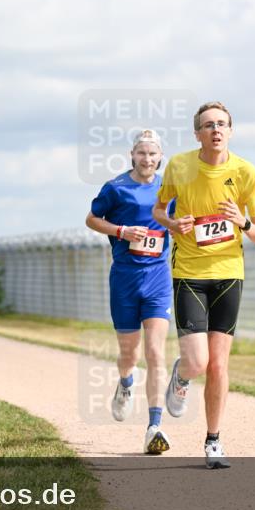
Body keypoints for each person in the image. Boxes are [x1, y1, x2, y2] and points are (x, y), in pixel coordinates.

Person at [152, 102, 255, 469]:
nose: (216, 129)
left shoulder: (246, 172)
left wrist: (243, 223)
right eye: (208, 125)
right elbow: (158, 210)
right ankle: (182, 374)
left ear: (230, 131)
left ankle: (213, 441)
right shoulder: (180, 166)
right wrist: (173, 224)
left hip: (229, 273)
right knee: (198, 362)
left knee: (218, 365)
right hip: (188, 272)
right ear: (197, 134)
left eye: (222, 124)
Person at [86, 129, 173, 455]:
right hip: (124, 278)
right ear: (132, 155)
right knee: (129, 355)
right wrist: (121, 230)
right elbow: (92, 219)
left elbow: (179, 221)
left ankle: (154, 426)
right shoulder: (115, 188)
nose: (147, 159)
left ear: (160, 156)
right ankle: (125, 385)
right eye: (142, 153)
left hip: (158, 280)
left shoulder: (170, 188)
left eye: (153, 153)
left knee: (155, 352)